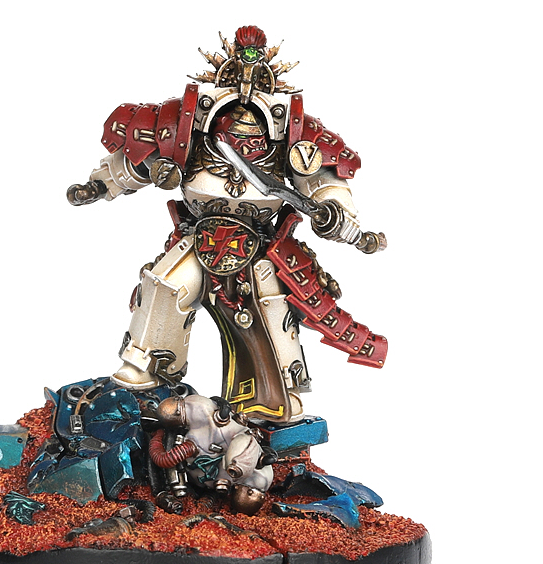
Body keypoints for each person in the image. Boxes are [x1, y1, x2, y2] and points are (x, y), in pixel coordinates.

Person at [68, 26, 386, 424]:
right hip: (199, 235)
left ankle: (279, 402)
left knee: (271, 314)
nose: (246, 86)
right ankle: (146, 374)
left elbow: (324, 182)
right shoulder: (189, 122)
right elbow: (139, 161)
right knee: (165, 286)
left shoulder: (295, 132)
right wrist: (101, 185)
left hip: (259, 244)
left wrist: (336, 212)